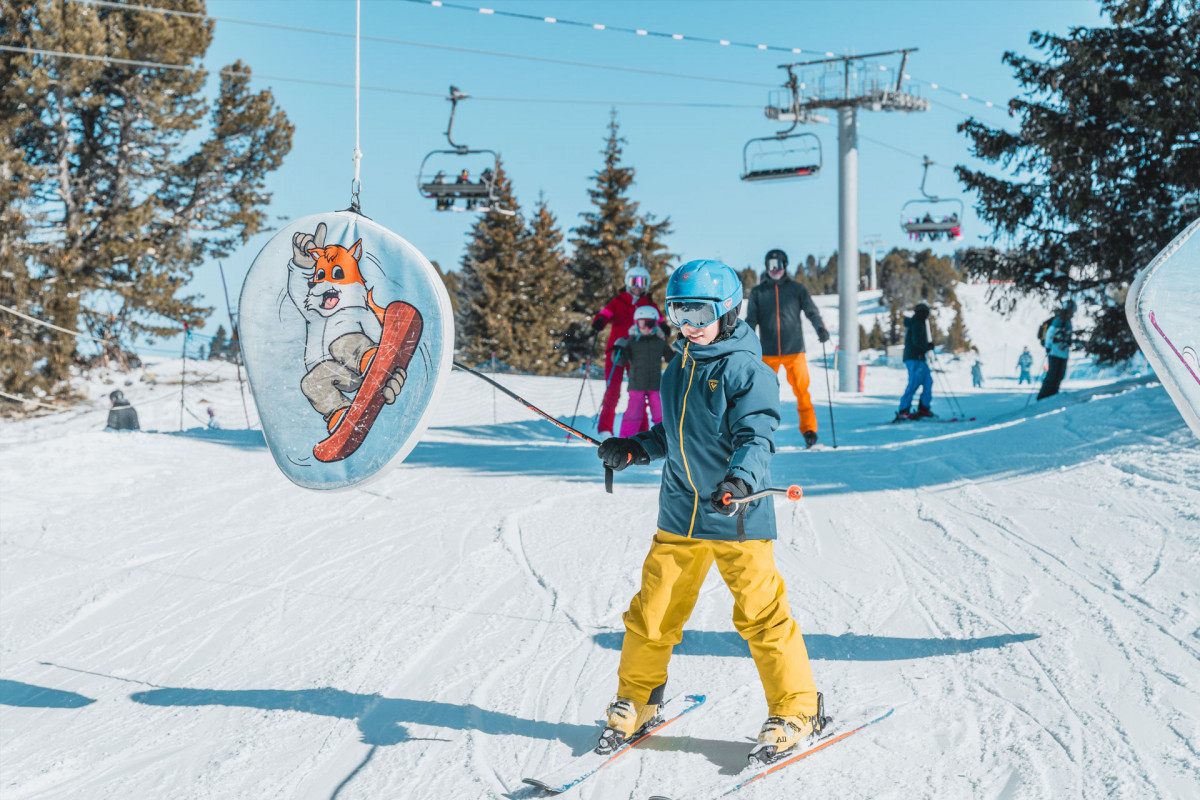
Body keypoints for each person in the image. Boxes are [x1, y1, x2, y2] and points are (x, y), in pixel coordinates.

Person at [595, 259, 823, 766]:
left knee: (761, 616)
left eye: (699, 312)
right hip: (680, 512)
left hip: (735, 513)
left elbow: (756, 434)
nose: (689, 324)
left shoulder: (747, 370)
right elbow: (670, 435)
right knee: (652, 613)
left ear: (728, 310)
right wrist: (632, 449)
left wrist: (741, 478)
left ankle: (797, 708)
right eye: (679, 312)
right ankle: (639, 697)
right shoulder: (680, 366)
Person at [744, 249, 830, 449]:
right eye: (771, 265)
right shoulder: (758, 292)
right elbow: (751, 320)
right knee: (761, 394)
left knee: (802, 391)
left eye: (779, 265)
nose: (775, 269)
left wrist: (820, 328)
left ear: (785, 265)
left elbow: (811, 311)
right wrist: (745, 341)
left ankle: (809, 431)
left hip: (795, 350)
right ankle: (758, 431)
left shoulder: (796, 289)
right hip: (768, 352)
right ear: (766, 267)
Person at [591, 259, 663, 436]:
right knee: (612, 391)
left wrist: (664, 328)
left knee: (639, 394)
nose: (637, 287)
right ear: (627, 283)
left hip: (639, 355)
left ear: (646, 285)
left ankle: (642, 432)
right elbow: (604, 314)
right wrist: (600, 321)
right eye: (633, 282)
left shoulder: (649, 304)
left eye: (642, 283)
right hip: (617, 351)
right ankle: (605, 429)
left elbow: (659, 321)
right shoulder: (617, 301)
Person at [613, 306, 675, 437]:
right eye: (642, 324)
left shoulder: (660, 342)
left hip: (656, 386)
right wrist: (618, 349)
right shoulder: (631, 342)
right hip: (637, 385)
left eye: (650, 323)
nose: (646, 327)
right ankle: (626, 441)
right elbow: (620, 362)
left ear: (655, 324)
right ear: (636, 324)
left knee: (660, 415)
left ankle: (666, 441)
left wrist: (681, 352)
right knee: (633, 415)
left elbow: (671, 358)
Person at [895, 302, 935, 421]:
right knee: (914, 383)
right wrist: (927, 347)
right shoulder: (917, 323)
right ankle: (904, 410)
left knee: (928, 381)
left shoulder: (919, 322)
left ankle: (923, 408)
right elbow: (916, 342)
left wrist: (926, 347)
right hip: (914, 358)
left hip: (919, 358)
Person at [1038, 299, 1075, 400]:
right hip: (1054, 352)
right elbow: (1050, 333)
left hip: (1062, 352)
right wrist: (1048, 347)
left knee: (1059, 375)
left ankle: (1053, 394)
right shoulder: (1058, 321)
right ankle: (1043, 396)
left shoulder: (1067, 322)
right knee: (1053, 374)